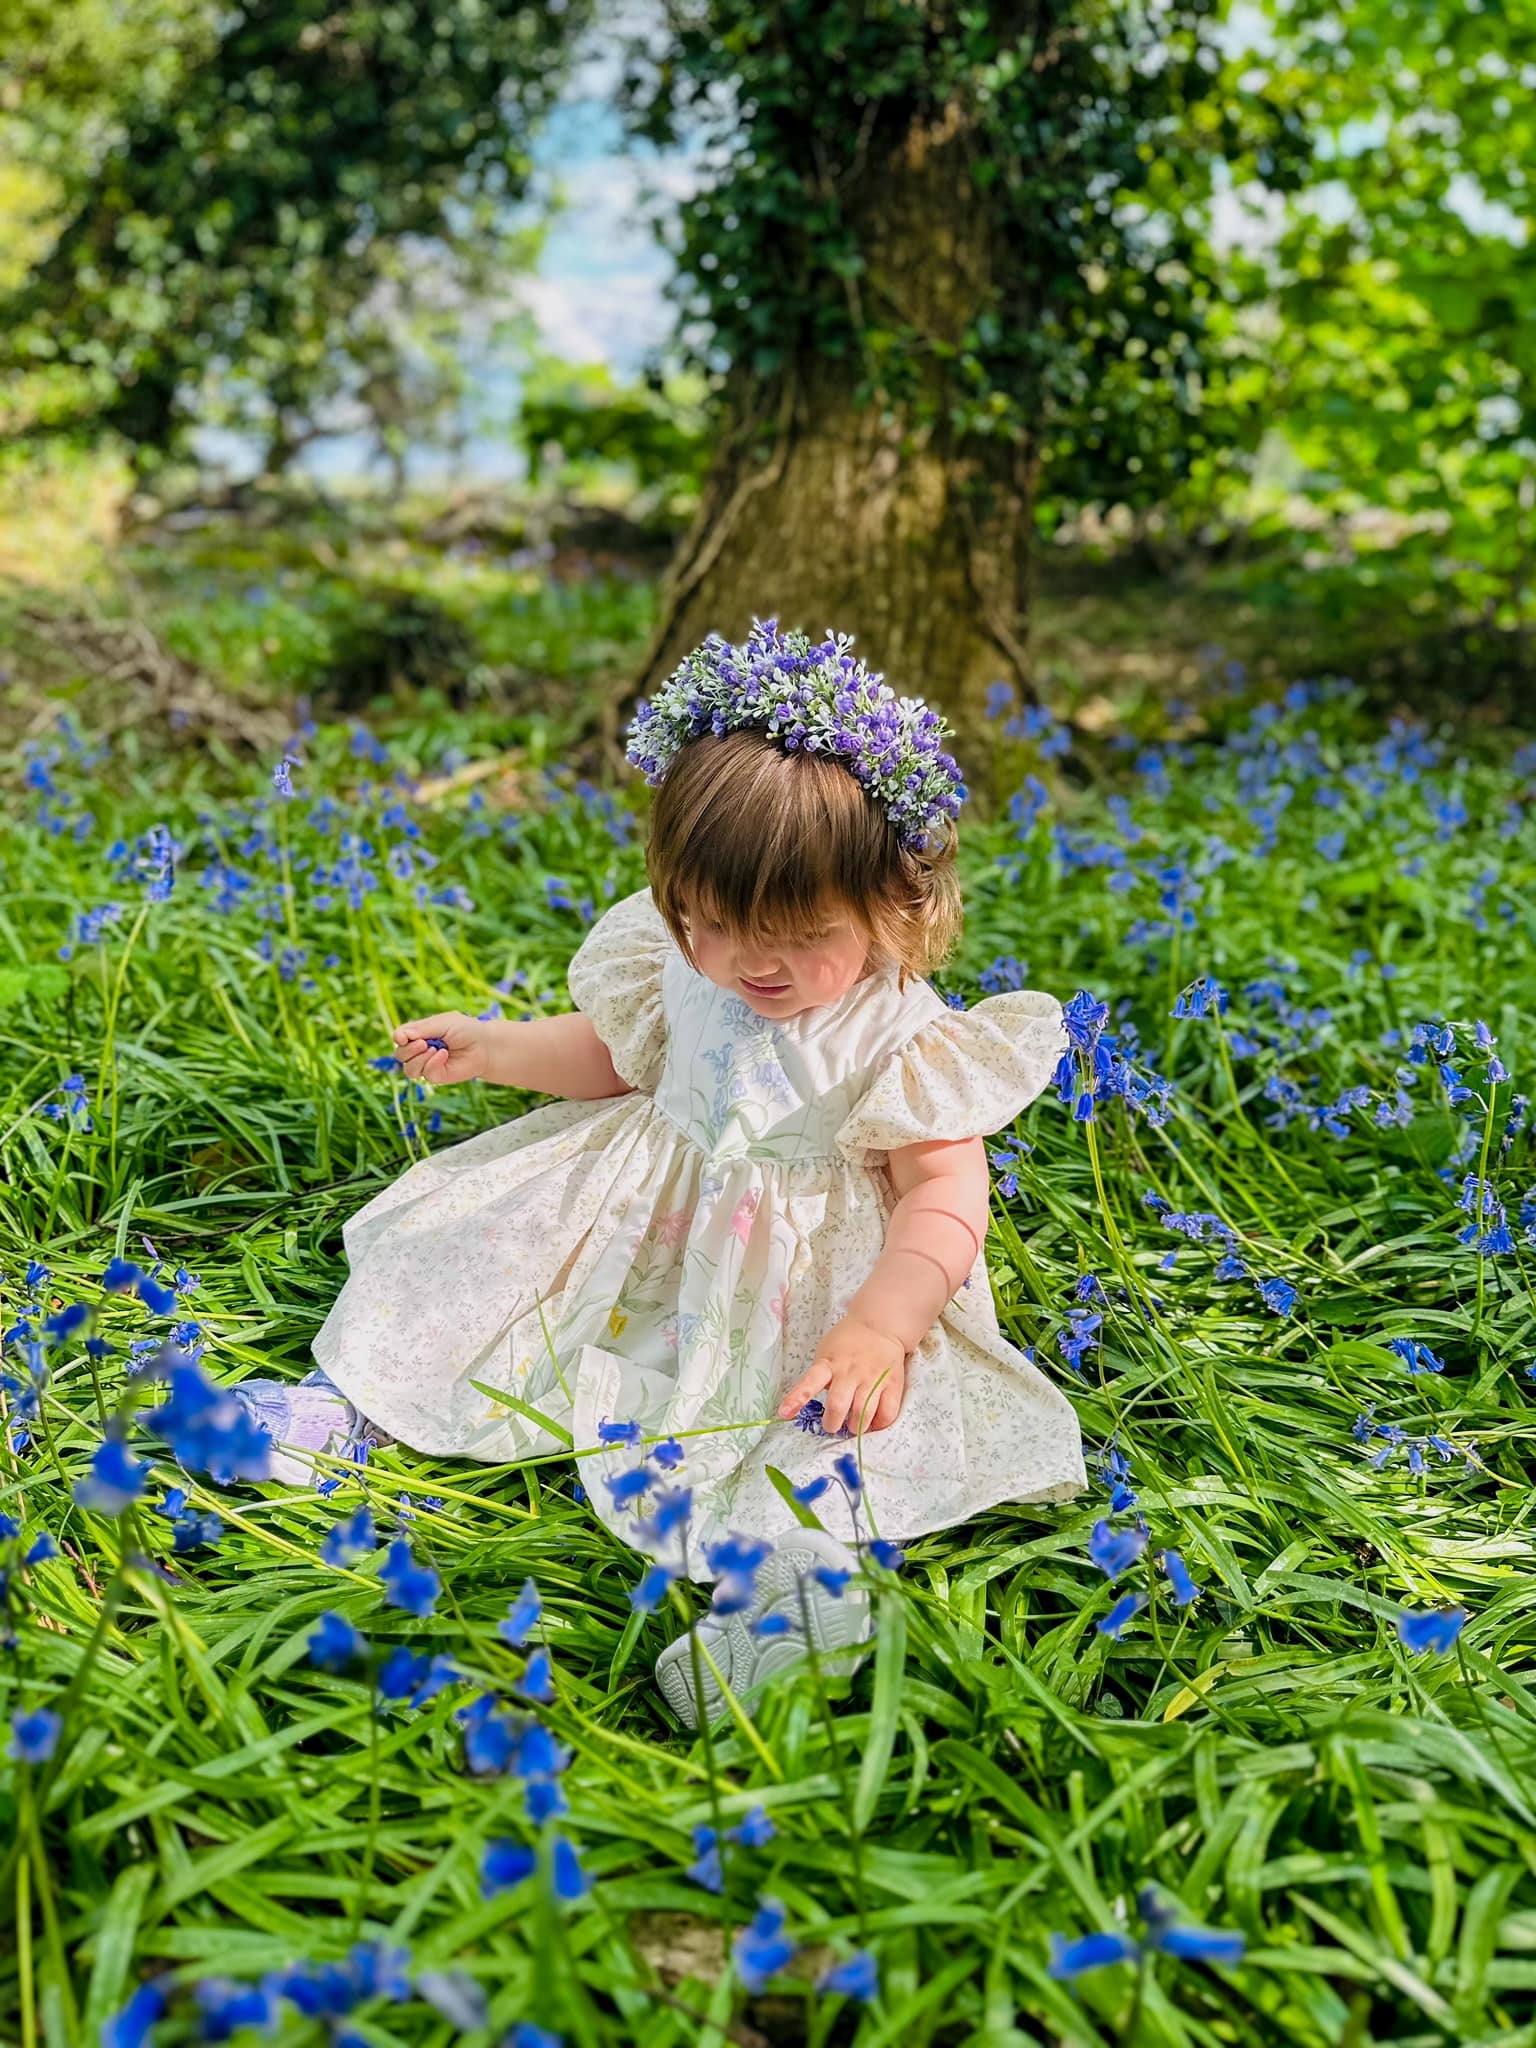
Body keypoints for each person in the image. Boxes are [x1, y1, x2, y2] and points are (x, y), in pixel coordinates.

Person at [235, 621, 1086, 1724]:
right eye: (711, 922)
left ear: (894, 903)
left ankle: (789, 1597)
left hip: (800, 1280)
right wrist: (494, 1047)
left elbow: (942, 1192)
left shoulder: (903, 1035)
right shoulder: (691, 966)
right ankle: (355, 1411)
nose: (749, 962)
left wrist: (885, 1318)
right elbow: (615, 1055)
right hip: (633, 1208)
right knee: (475, 1265)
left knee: (832, 1429)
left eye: (797, 933)